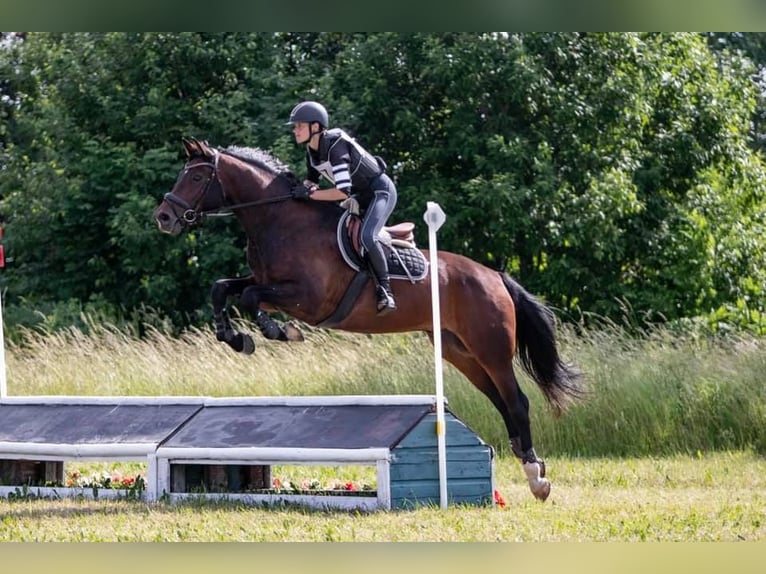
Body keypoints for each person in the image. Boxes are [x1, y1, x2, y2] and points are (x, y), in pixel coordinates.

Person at [286, 100, 397, 316]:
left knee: (367, 237)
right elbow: (312, 181)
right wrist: (299, 191)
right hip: (359, 196)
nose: (295, 130)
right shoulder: (312, 150)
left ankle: (386, 290)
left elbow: (341, 192)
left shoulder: (335, 146)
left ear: (315, 127)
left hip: (379, 192)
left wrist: (310, 194)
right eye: (295, 126)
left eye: (299, 125)